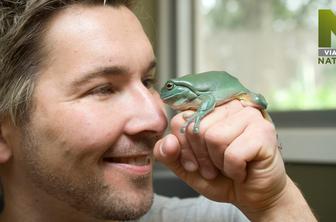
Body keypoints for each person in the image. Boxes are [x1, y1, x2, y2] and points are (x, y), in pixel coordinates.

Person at [0, 0, 317, 221]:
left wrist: (275, 204)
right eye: (103, 88)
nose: (157, 118)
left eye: (148, 80)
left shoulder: (235, 216)